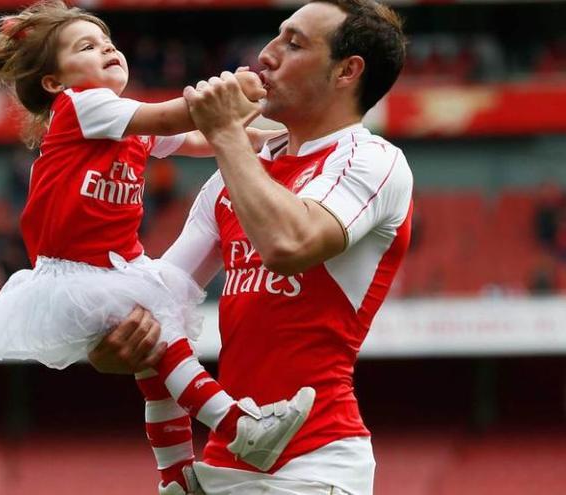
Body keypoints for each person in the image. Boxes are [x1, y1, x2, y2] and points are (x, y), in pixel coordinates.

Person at [0, 2, 316, 494]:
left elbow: (197, 138)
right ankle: (239, 428)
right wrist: (234, 93)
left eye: (108, 42)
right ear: (54, 83)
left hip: (112, 268)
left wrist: (259, 139)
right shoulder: (84, 105)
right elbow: (180, 117)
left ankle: (174, 476)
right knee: (168, 343)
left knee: (156, 369)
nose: (106, 49)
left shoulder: (123, 125)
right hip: (80, 274)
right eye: (86, 47)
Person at [90, 1, 412, 493]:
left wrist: (225, 134)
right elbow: (158, 299)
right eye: (276, 36)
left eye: (294, 43)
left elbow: (289, 243)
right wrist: (114, 340)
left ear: (347, 71)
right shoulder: (234, 176)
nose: (267, 53)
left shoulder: (374, 160)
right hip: (225, 459)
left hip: (314, 463)